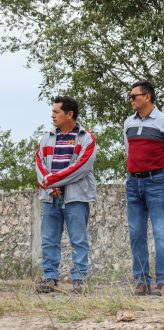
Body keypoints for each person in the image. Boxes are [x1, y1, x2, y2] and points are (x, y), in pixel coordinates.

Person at [123, 80, 164, 296]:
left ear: (147, 97)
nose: (131, 100)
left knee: (161, 232)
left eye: (134, 96)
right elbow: (128, 150)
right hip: (133, 183)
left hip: (157, 182)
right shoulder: (128, 123)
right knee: (136, 233)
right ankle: (142, 280)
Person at [35, 96, 97, 294]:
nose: (52, 115)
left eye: (56, 112)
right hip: (50, 196)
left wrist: (52, 181)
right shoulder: (46, 137)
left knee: (78, 240)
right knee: (48, 239)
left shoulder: (86, 138)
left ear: (69, 114)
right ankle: (49, 278)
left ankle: (79, 280)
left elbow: (81, 168)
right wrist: (49, 187)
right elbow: (39, 163)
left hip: (76, 197)